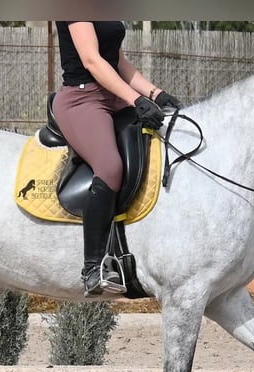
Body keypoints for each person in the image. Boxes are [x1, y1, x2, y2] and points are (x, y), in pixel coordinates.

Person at [52, 21, 181, 297]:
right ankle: (93, 267)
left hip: (115, 98)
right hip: (82, 98)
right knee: (110, 168)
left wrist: (157, 94)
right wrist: (136, 101)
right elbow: (93, 60)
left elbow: (118, 62)